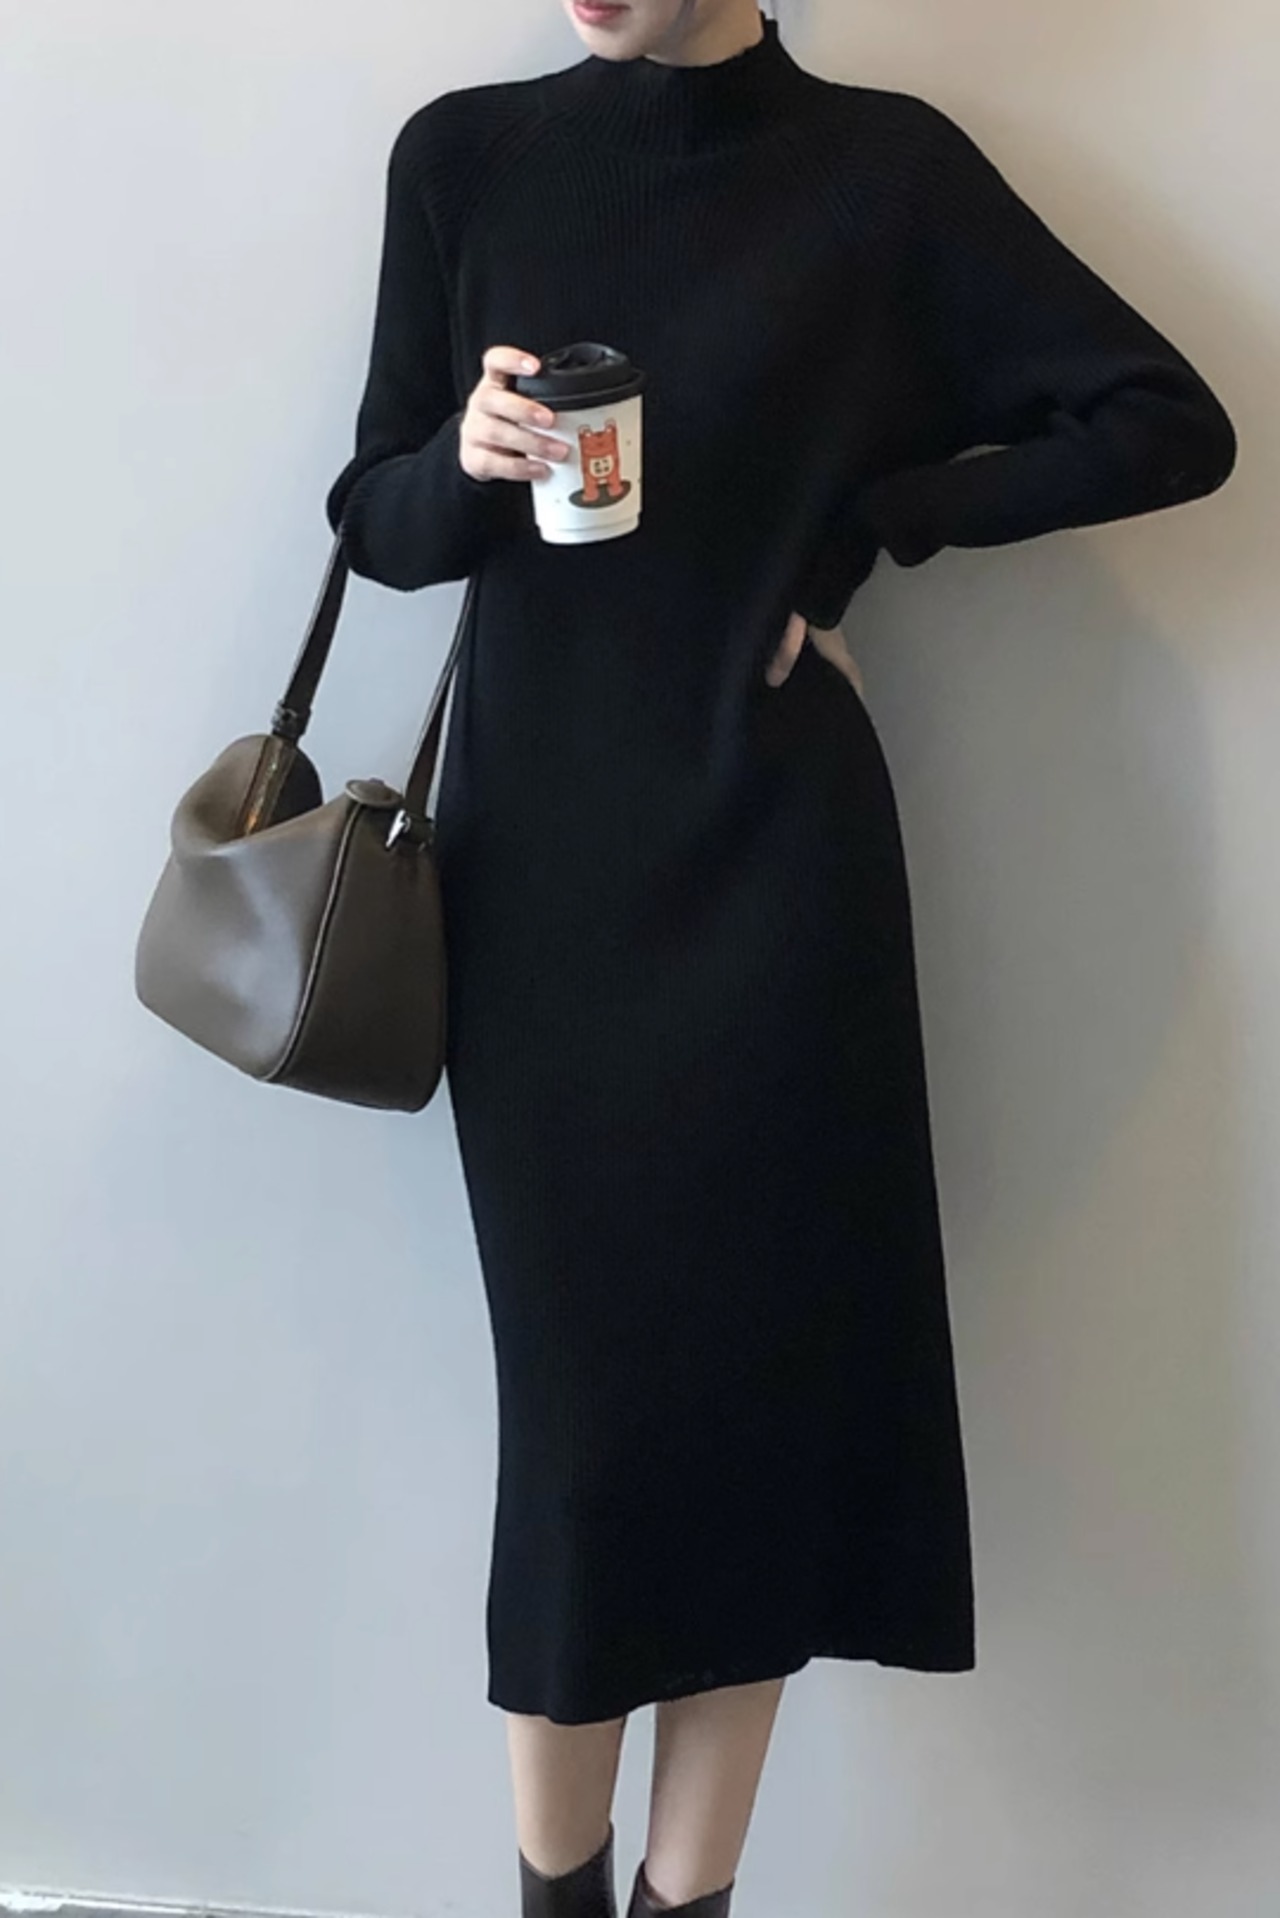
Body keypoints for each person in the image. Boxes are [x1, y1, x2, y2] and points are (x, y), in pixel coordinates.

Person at [323, 3, 1237, 1915]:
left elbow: (1168, 422)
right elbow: (379, 525)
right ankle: (557, 1897)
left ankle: (692, 1903)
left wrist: (877, 523)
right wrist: (468, 459)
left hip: (778, 884)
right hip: (538, 894)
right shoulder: (465, 156)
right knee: (584, 1444)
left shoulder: (881, 176)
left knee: (760, 1427)